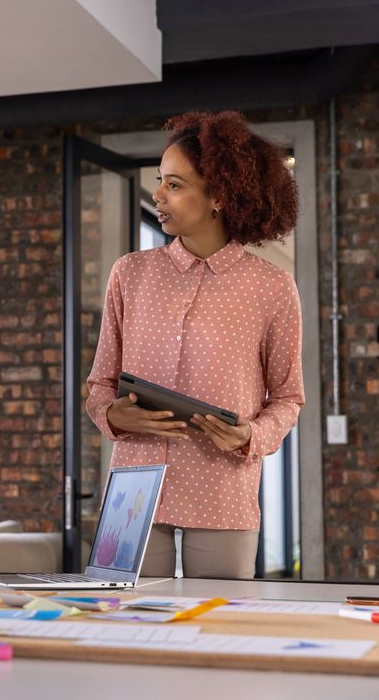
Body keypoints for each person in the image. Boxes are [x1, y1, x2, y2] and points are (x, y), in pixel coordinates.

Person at [85, 111, 305, 580]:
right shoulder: (130, 273)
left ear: (219, 196)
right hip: (134, 489)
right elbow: (100, 382)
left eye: (175, 185)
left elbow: (287, 397)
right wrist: (109, 414)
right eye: (160, 182)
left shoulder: (271, 287)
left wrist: (252, 435)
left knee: (221, 621)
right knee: (127, 619)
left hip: (223, 488)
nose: (158, 196)